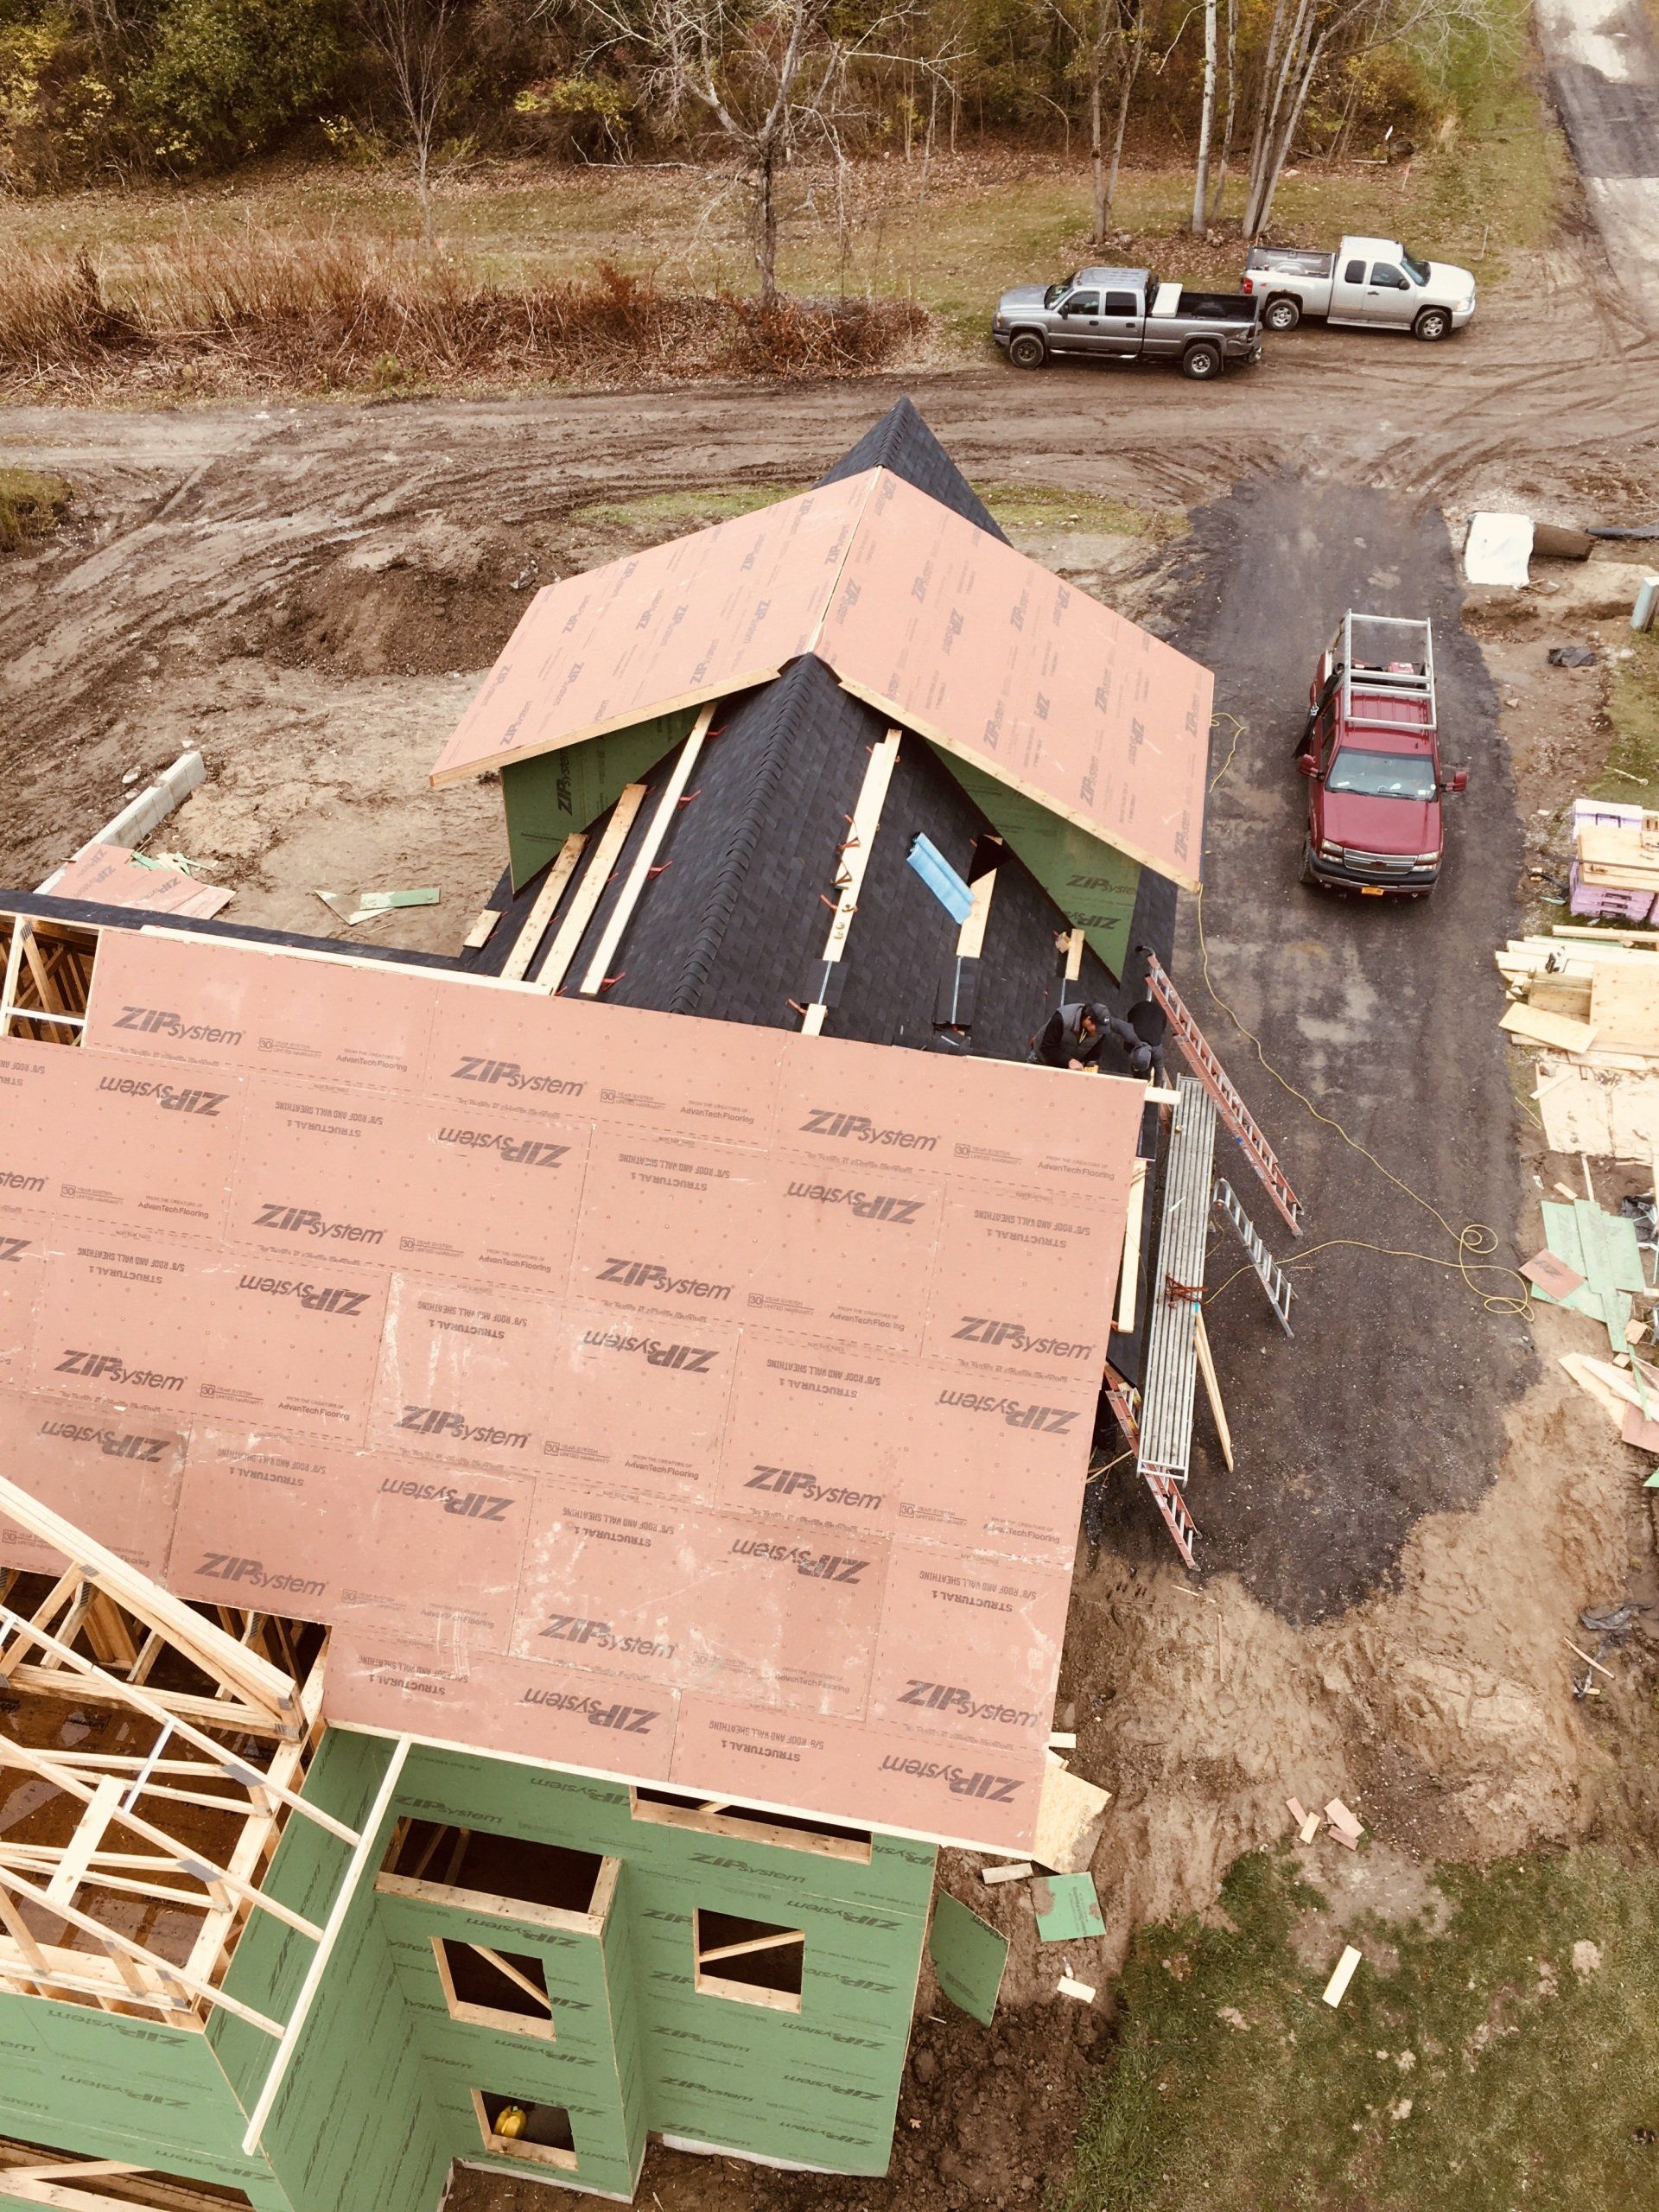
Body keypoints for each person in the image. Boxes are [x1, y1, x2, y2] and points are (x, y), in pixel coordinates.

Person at [1030, 1001, 1154, 1077]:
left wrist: (1089, 1065)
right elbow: (1047, 1047)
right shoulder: (1063, 1018)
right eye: (1097, 1028)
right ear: (1088, 1019)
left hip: (1066, 1068)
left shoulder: (1100, 1030)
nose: (1098, 1032)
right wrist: (1070, 1061)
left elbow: (1094, 1053)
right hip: (1042, 1060)